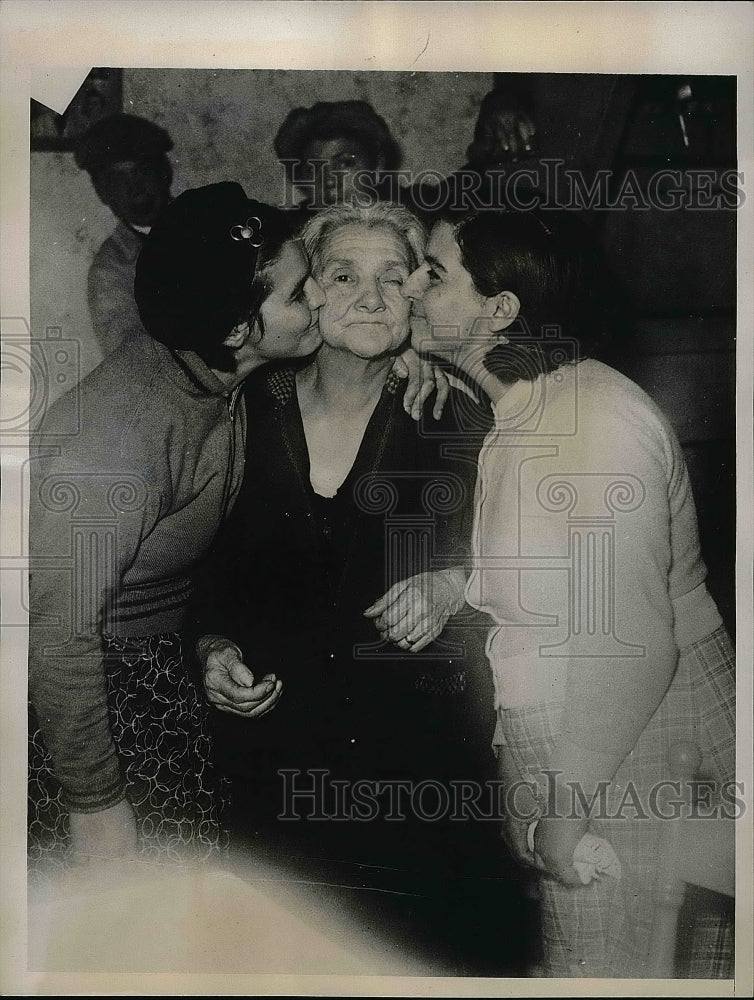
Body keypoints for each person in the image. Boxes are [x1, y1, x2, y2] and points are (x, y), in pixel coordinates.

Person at [191, 202, 534, 973]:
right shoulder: (252, 404)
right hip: (274, 762)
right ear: (308, 292)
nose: (371, 299)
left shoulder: (450, 408)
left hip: (414, 772)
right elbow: (208, 567)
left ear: (418, 296)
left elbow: (533, 569)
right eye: (343, 276)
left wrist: (456, 586)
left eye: (392, 278)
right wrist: (210, 646)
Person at [401, 207, 736, 978]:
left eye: (435, 272)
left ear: (501, 310)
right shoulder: (530, 410)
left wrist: (563, 806)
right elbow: (547, 587)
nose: (414, 285)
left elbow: (633, 645)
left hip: (636, 727)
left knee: (609, 973)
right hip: (590, 731)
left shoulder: (590, 420)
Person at [28, 181, 326, 879]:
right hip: (83, 707)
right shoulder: (117, 436)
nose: (320, 301)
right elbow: (58, 634)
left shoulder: (222, 379)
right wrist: (95, 803)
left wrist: (206, 644)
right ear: (233, 331)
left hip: (154, 680)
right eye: (299, 293)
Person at [74, 113, 174, 358]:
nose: (135, 190)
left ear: (164, 173)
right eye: (117, 179)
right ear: (102, 193)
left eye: (142, 172)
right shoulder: (111, 271)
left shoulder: (216, 223)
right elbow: (131, 359)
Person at [274, 99, 402, 220]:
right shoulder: (290, 234)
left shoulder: (411, 217)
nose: (329, 181)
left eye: (346, 163)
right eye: (313, 170)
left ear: (377, 167)